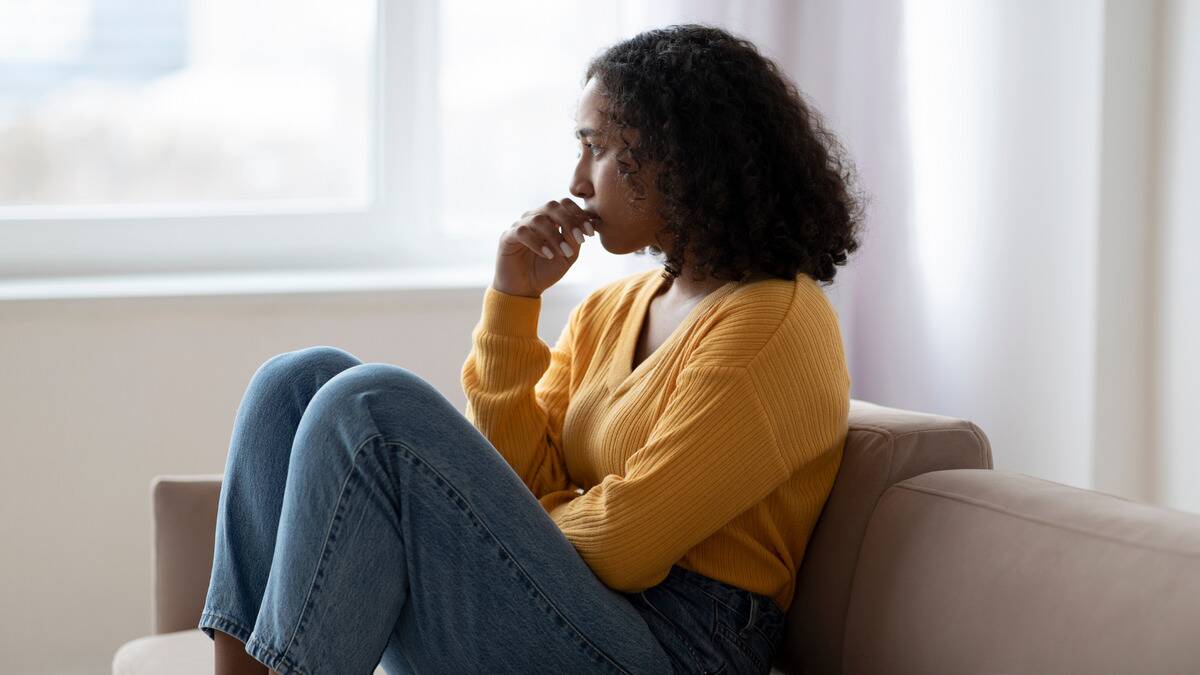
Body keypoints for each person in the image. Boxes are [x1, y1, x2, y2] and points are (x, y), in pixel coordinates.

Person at [199, 23, 862, 675]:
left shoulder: (774, 324)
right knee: (296, 380)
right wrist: (513, 301)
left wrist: (501, 524)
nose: (577, 180)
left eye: (595, 147)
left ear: (680, 159)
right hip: (582, 607)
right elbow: (525, 475)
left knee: (370, 406)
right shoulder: (615, 306)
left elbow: (628, 547)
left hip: (677, 645)